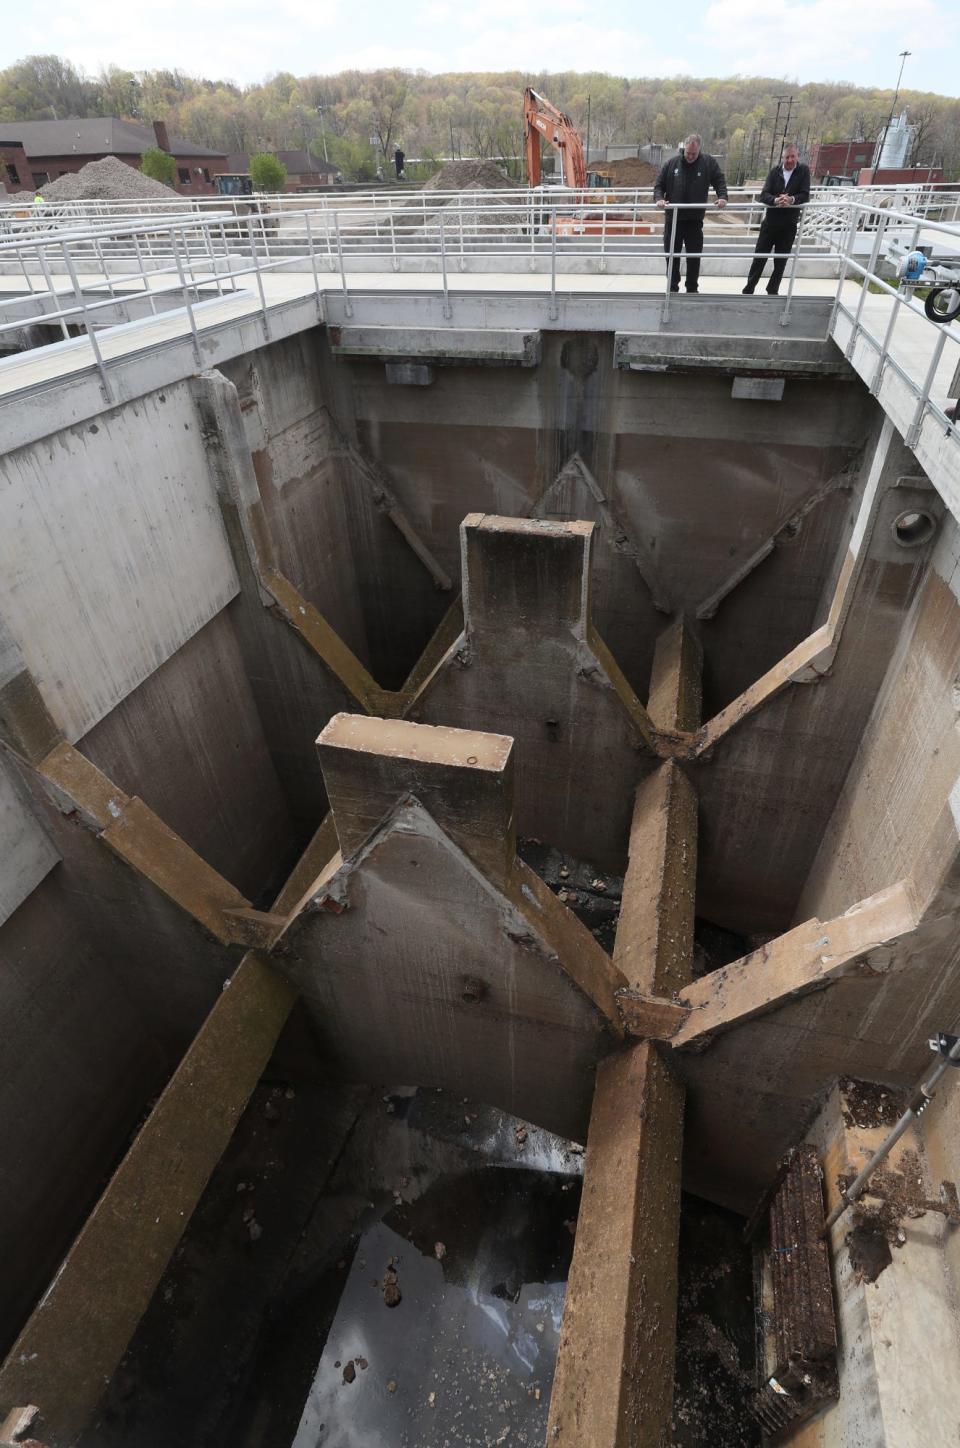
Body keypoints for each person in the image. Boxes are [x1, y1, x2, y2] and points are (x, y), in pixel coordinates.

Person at [654, 135, 728, 294]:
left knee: (694, 257)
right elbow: (659, 185)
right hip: (673, 220)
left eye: (693, 154)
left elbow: (719, 180)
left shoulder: (708, 163)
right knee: (672, 255)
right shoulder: (672, 164)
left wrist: (722, 196)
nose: (690, 156)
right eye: (688, 153)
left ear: (699, 150)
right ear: (684, 149)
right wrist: (659, 199)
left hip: (694, 221)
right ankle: (672, 288)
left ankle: (692, 289)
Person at [743, 144, 811, 296]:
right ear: (783, 158)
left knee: (780, 261)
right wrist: (775, 200)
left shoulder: (803, 171)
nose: (790, 160)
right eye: (787, 157)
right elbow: (764, 194)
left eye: (792, 157)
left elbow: (805, 194)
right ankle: (749, 289)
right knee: (759, 257)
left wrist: (791, 200)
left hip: (789, 225)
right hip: (770, 223)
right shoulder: (774, 172)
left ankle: (772, 290)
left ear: (797, 156)